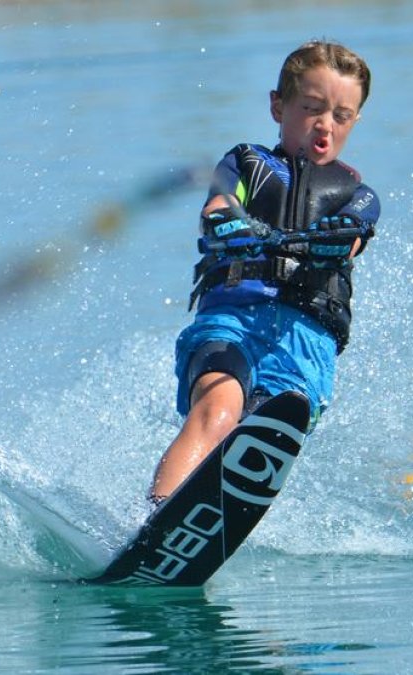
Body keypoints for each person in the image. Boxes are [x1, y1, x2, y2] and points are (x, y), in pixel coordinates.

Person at [149, 40, 381, 503]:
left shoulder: (358, 195)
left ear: (355, 120)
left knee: (259, 434)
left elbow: (355, 234)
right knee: (218, 411)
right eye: (311, 108)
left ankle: (213, 517)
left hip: (304, 343)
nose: (325, 124)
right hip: (232, 322)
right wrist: (230, 221)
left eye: (342, 115)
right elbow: (218, 203)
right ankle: (155, 517)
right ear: (278, 106)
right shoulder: (245, 163)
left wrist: (331, 238)